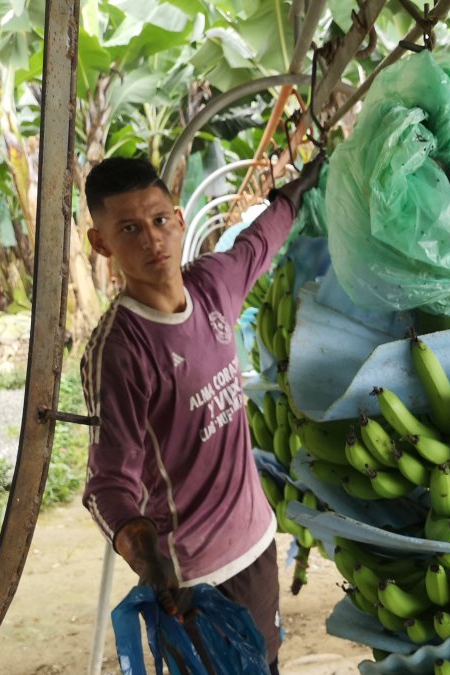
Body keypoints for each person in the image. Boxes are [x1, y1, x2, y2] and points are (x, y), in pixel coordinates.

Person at [80, 154, 323, 674]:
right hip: (194, 579)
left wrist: (298, 188)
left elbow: (258, 242)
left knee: (269, 663)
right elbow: (107, 485)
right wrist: (148, 559)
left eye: (159, 219)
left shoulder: (214, 285)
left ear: (179, 218)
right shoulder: (121, 350)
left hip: (256, 545)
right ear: (101, 243)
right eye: (129, 228)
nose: (151, 240)